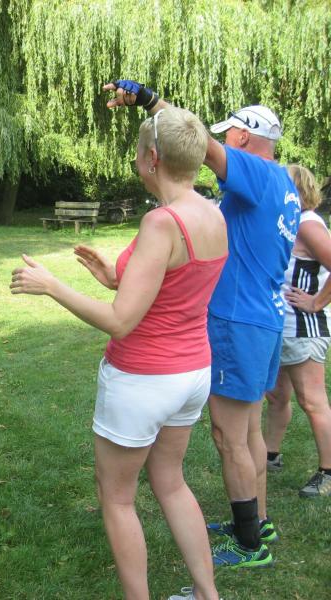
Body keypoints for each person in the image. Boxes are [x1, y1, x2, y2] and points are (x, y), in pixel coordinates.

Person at [11, 106, 226, 600]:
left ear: (152, 158)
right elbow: (178, 284)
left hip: (144, 379)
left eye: (137, 151)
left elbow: (120, 321)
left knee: (117, 498)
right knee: (171, 482)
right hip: (192, 372)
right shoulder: (211, 213)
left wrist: (52, 286)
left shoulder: (161, 222)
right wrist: (115, 276)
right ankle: (207, 594)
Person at [104, 81, 301, 570]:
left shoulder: (255, 171)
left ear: (244, 138)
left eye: (229, 133)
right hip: (265, 317)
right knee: (248, 429)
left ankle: (249, 544)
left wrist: (149, 101)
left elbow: (190, 141)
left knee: (229, 436)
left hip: (238, 320)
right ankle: (257, 521)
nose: (222, 140)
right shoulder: (284, 183)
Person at [265, 164, 331, 497]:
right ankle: (270, 455)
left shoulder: (307, 224)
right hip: (283, 326)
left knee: (312, 401)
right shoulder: (291, 222)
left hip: (304, 328)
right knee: (277, 395)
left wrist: (317, 302)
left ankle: (328, 473)